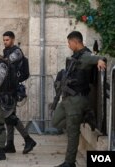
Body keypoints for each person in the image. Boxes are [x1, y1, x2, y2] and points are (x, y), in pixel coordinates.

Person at [52, 31, 106, 167]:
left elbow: (99, 58)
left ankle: (69, 162)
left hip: (77, 99)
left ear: (76, 42)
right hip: (68, 99)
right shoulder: (76, 56)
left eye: (69, 43)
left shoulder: (85, 56)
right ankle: (84, 117)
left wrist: (100, 61)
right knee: (55, 122)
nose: (68, 45)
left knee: (72, 132)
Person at [2, 31, 36, 154]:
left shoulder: (16, 52)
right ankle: (10, 144)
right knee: (9, 117)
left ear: (13, 39)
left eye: (7, 40)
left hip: (13, 88)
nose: (5, 42)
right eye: (4, 40)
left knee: (10, 116)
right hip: (8, 87)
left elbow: (6, 62)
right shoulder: (6, 51)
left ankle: (28, 140)